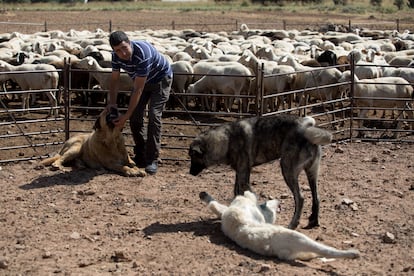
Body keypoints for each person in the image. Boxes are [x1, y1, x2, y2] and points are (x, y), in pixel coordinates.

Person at [107, 30, 173, 175]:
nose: (123, 53)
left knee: (154, 116)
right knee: (136, 117)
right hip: (141, 81)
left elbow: (138, 89)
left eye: (124, 48)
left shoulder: (142, 54)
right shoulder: (115, 58)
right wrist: (112, 104)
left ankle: (152, 159)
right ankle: (141, 154)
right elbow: (114, 80)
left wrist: (124, 117)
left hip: (160, 79)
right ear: (113, 51)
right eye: (118, 50)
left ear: (129, 42)